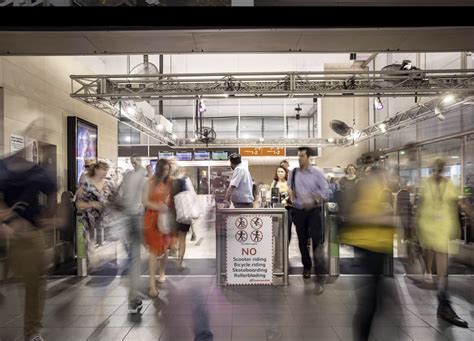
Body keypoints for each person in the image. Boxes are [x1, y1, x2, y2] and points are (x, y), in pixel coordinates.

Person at [0, 139, 57, 341]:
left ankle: (32, 331)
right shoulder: (4, 167)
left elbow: (51, 190)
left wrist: (48, 216)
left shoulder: (36, 171)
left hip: (31, 234)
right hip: (9, 232)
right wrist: (7, 221)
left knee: (34, 283)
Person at [339, 165, 396, 340]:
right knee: (369, 303)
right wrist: (386, 219)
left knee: (374, 302)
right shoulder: (369, 188)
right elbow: (358, 216)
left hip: (377, 248)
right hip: (367, 248)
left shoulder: (381, 189)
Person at [416, 158, 468, 328]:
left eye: (441, 166)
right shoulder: (426, 184)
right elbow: (421, 204)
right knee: (433, 254)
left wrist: (457, 226)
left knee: (443, 259)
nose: (439, 168)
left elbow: (455, 205)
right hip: (429, 225)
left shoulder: (449, 184)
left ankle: (442, 297)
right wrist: (417, 225)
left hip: (444, 226)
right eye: (437, 166)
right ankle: (440, 294)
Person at [288, 147, 331, 290]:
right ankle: (307, 266)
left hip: (314, 211)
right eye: (298, 156)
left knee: (317, 242)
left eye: (302, 156)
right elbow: (290, 187)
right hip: (298, 211)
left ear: (309, 157)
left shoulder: (317, 173)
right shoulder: (293, 173)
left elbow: (326, 192)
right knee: (302, 241)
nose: (299, 158)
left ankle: (320, 273)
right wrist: (292, 194)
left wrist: (313, 199)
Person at [119, 154, 147, 313]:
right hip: (138, 219)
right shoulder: (142, 177)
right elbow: (146, 200)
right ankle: (134, 295)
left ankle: (133, 294)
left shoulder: (127, 178)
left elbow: (122, 200)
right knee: (138, 259)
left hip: (128, 220)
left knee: (133, 258)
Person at [143, 159, 172, 298]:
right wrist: (158, 207)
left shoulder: (169, 182)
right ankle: (151, 284)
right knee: (153, 251)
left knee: (165, 248)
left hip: (165, 218)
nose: (166, 172)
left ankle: (162, 271)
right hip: (152, 219)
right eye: (164, 170)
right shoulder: (150, 182)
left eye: (168, 170)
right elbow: (145, 201)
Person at [76, 160, 114, 257]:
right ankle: (88, 263)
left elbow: (116, 200)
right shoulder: (86, 185)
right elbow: (78, 203)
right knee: (87, 245)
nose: (105, 172)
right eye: (103, 169)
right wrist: (91, 204)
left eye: (107, 170)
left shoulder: (109, 184)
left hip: (104, 221)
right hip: (88, 220)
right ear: (96, 170)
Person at [270, 166, 293, 242]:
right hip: (277, 208)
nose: (280, 173)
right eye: (278, 171)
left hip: (288, 208)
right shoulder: (274, 183)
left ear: (286, 173)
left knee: (288, 226)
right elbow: (271, 194)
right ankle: (278, 244)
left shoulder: (289, 183)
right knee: (278, 227)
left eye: (282, 171)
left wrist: (287, 197)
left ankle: (286, 245)